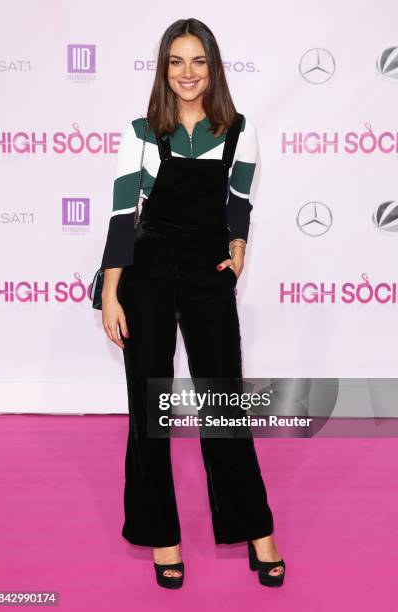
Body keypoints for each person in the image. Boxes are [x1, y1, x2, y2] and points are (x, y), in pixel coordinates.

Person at [100, 18, 286, 589]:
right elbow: (121, 216)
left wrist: (237, 248)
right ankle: (164, 537)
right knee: (150, 413)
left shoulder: (238, 130)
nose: (187, 73)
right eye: (176, 61)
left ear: (213, 67)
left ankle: (257, 532)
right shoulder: (140, 131)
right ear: (163, 68)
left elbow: (239, 201)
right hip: (147, 275)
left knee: (224, 405)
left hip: (208, 274)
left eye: (197, 61)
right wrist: (110, 293)